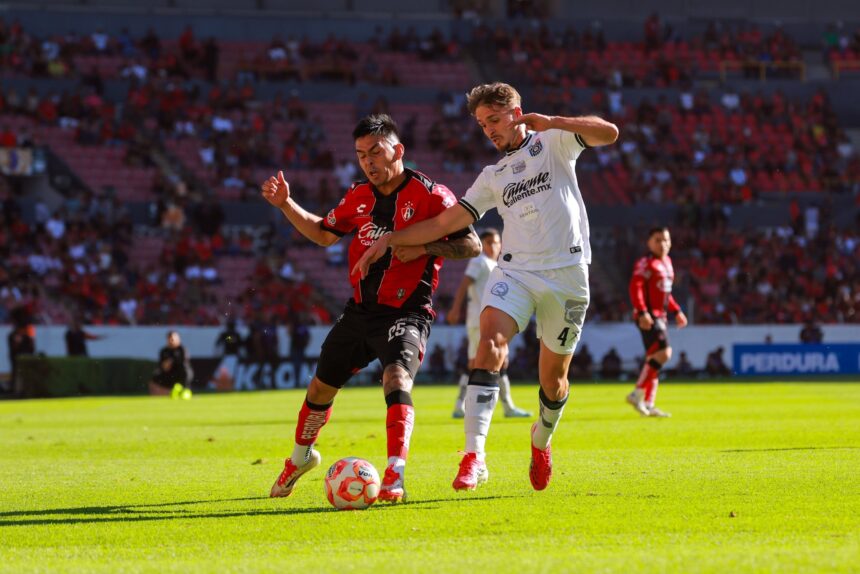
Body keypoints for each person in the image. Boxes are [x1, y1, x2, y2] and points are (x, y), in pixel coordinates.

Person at [354, 82, 619, 492]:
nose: (489, 130)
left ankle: (541, 439)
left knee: (553, 382)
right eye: (482, 124)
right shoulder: (492, 176)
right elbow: (447, 223)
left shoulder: (555, 142)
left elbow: (610, 133)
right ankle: (474, 456)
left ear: (518, 112)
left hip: (567, 273)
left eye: (493, 120)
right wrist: (391, 238)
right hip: (516, 273)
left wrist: (554, 122)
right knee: (489, 346)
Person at [260, 113, 480, 503]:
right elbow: (324, 234)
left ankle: (395, 474)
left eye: (375, 152)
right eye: (362, 155)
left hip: (407, 311)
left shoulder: (431, 194)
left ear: (398, 150)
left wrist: (424, 247)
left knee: (396, 379)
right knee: (319, 388)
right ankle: (300, 458)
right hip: (360, 311)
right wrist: (286, 204)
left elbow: (472, 245)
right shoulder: (358, 195)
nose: (369, 162)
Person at [447, 227, 530, 418]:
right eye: (491, 242)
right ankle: (507, 407)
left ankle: (461, 405)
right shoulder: (479, 261)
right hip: (480, 321)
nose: (495, 246)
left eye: (497, 242)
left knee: (478, 363)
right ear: (483, 244)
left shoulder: (495, 265)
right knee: (497, 361)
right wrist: (455, 308)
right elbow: (464, 284)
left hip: (487, 322)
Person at [625, 227, 688, 418]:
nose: (663, 244)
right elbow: (635, 288)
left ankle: (649, 402)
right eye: (658, 240)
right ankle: (637, 394)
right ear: (649, 243)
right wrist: (642, 311)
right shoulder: (646, 263)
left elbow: (665, 294)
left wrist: (677, 311)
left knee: (654, 360)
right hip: (649, 316)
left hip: (660, 316)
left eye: (666, 240)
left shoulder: (667, 263)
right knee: (664, 352)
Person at [149, 330, 193, 399]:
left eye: (174, 339)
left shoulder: (181, 349)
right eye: (170, 339)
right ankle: (165, 393)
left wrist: (171, 361)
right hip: (169, 374)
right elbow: (162, 365)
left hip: (180, 374)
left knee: (185, 369)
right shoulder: (164, 351)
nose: (172, 341)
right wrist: (165, 365)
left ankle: (184, 390)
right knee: (155, 376)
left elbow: (183, 362)